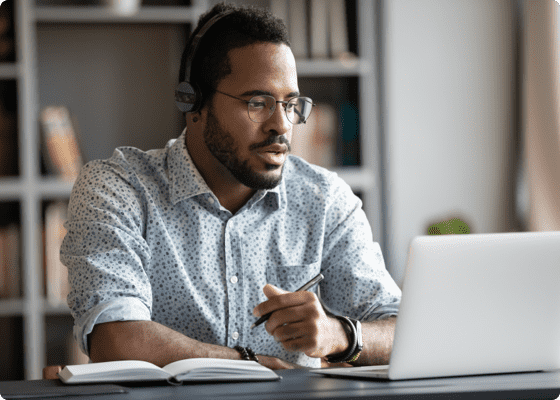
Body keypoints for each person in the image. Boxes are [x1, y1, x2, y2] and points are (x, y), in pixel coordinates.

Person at [60, 1, 401, 371]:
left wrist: (339, 335)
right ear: (193, 102)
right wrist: (249, 363)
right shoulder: (118, 188)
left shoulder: (324, 199)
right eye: (258, 102)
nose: (282, 125)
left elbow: (402, 330)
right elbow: (116, 340)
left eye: (290, 104)